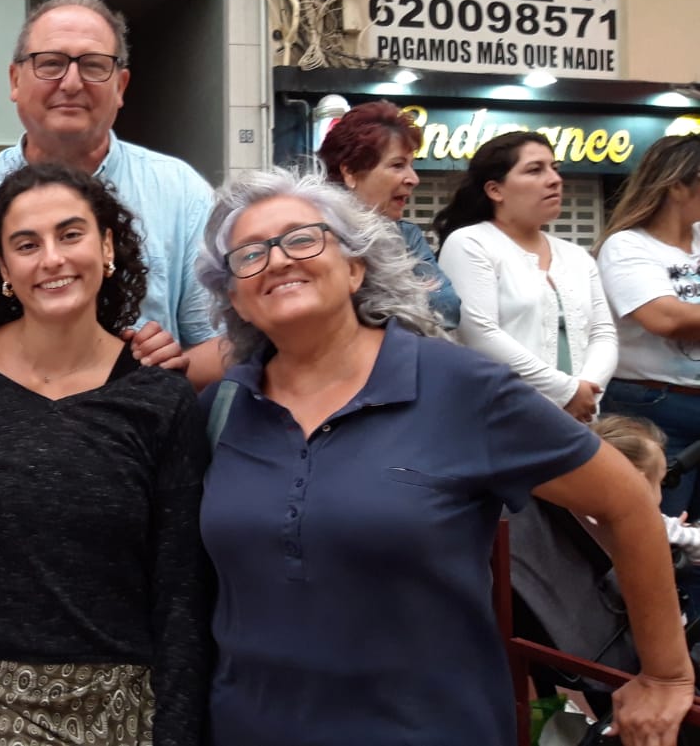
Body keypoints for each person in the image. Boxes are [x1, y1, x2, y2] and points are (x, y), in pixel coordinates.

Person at [195, 167, 692, 745]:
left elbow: (627, 500)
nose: (278, 260)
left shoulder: (462, 387)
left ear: (356, 266)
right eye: (249, 254)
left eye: (303, 239)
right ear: (237, 299)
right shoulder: (226, 408)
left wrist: (665, 673)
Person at [0, 162, 210, 745]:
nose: (51, 258)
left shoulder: (159, 395)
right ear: (4, 268)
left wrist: (176, 731)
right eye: (27, 245)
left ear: (106, 247)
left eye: (70, 234)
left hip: (129, 707)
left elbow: (183, 589)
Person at [0, 0, 222, 388]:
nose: (70, 82)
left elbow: (223, 344)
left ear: (120, 85)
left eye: (93, 65)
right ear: (15, 80)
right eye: (50, 64)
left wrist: (170, 372)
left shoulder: (180, 193)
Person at [433, 131, 617, 423]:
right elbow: (479, 333)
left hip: (581, 415)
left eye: (554, 168)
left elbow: (604, 333)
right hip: (503, 416)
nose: (554, 179)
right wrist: (566, 390)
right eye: (535, 170)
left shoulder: (576, 255)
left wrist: (588, 390)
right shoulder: (471, 243)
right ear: (495, 190)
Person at [595, 134, 700, 517]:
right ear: (676, 183)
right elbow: (665, 318)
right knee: (658, 532)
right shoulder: (627, 246)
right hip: (655, 406)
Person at [316, 99, 460, 327]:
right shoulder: (316, 237)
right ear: (350, 172)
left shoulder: (406, 236)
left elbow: (447, 308)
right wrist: (413, 294)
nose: (414, 179)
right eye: (397, 165)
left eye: (412, 165)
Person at [592, 415, 700, 565]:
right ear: (640, 484)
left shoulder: (575, 510)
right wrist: (680, 532)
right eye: (660, 482)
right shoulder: (650, 524)